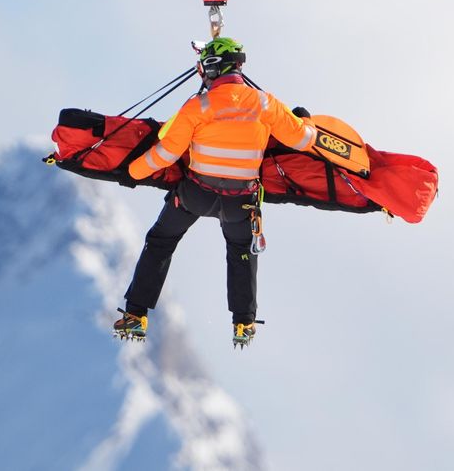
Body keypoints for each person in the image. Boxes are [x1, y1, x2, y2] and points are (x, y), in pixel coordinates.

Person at [112, 37, 319, 346]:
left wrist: (131, 172)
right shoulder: (265, 103)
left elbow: (166, 154)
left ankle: (135, 315)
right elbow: (304, 141)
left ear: (210, 69)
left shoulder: (199, 106)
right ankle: (243, 324)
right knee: (241, 253)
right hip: (241, 203)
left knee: (161, 241)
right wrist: (304, 119)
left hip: (196, 194)